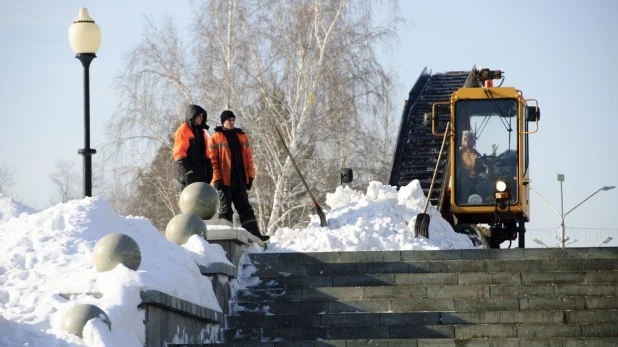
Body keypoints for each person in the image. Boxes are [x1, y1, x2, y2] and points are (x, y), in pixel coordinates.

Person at [209, 110, 270, 242]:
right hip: (224, 180)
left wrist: (250, 176)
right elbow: (212, 160)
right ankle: (226, 238)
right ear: (223, 121)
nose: (231, 122)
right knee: (225, 210)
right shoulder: (216, 137)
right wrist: (216, 178)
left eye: (233, 120)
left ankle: (255, 236)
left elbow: (249, 158)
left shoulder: (241, 136)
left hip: (240, 179)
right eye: (229, 120)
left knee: (245, 208)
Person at [173, 104, 213, 188]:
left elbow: (207, 153)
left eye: (202, 116)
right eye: (199, 116)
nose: (202, 118)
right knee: (189, 200)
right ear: (193, 116)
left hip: (201, 174)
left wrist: (209, 169)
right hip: (188, 175)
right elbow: (179, 154)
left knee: (203, 199)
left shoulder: (201, 131)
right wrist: (188, 172)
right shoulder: (183, 130)